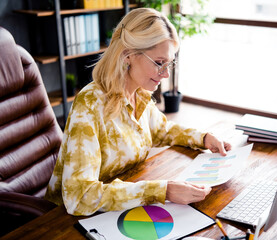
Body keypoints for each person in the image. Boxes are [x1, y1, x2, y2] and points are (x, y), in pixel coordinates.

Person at [45, 8, 231, 216]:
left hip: (115, 208)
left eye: (169, 63)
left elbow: (161, 129)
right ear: (128, 55)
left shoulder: (138, 92)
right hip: (65, 221)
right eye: (159, 63)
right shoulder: (89, 104)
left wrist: (203, 138)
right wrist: (163, 191)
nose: (166, 73)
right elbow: (79, 196)